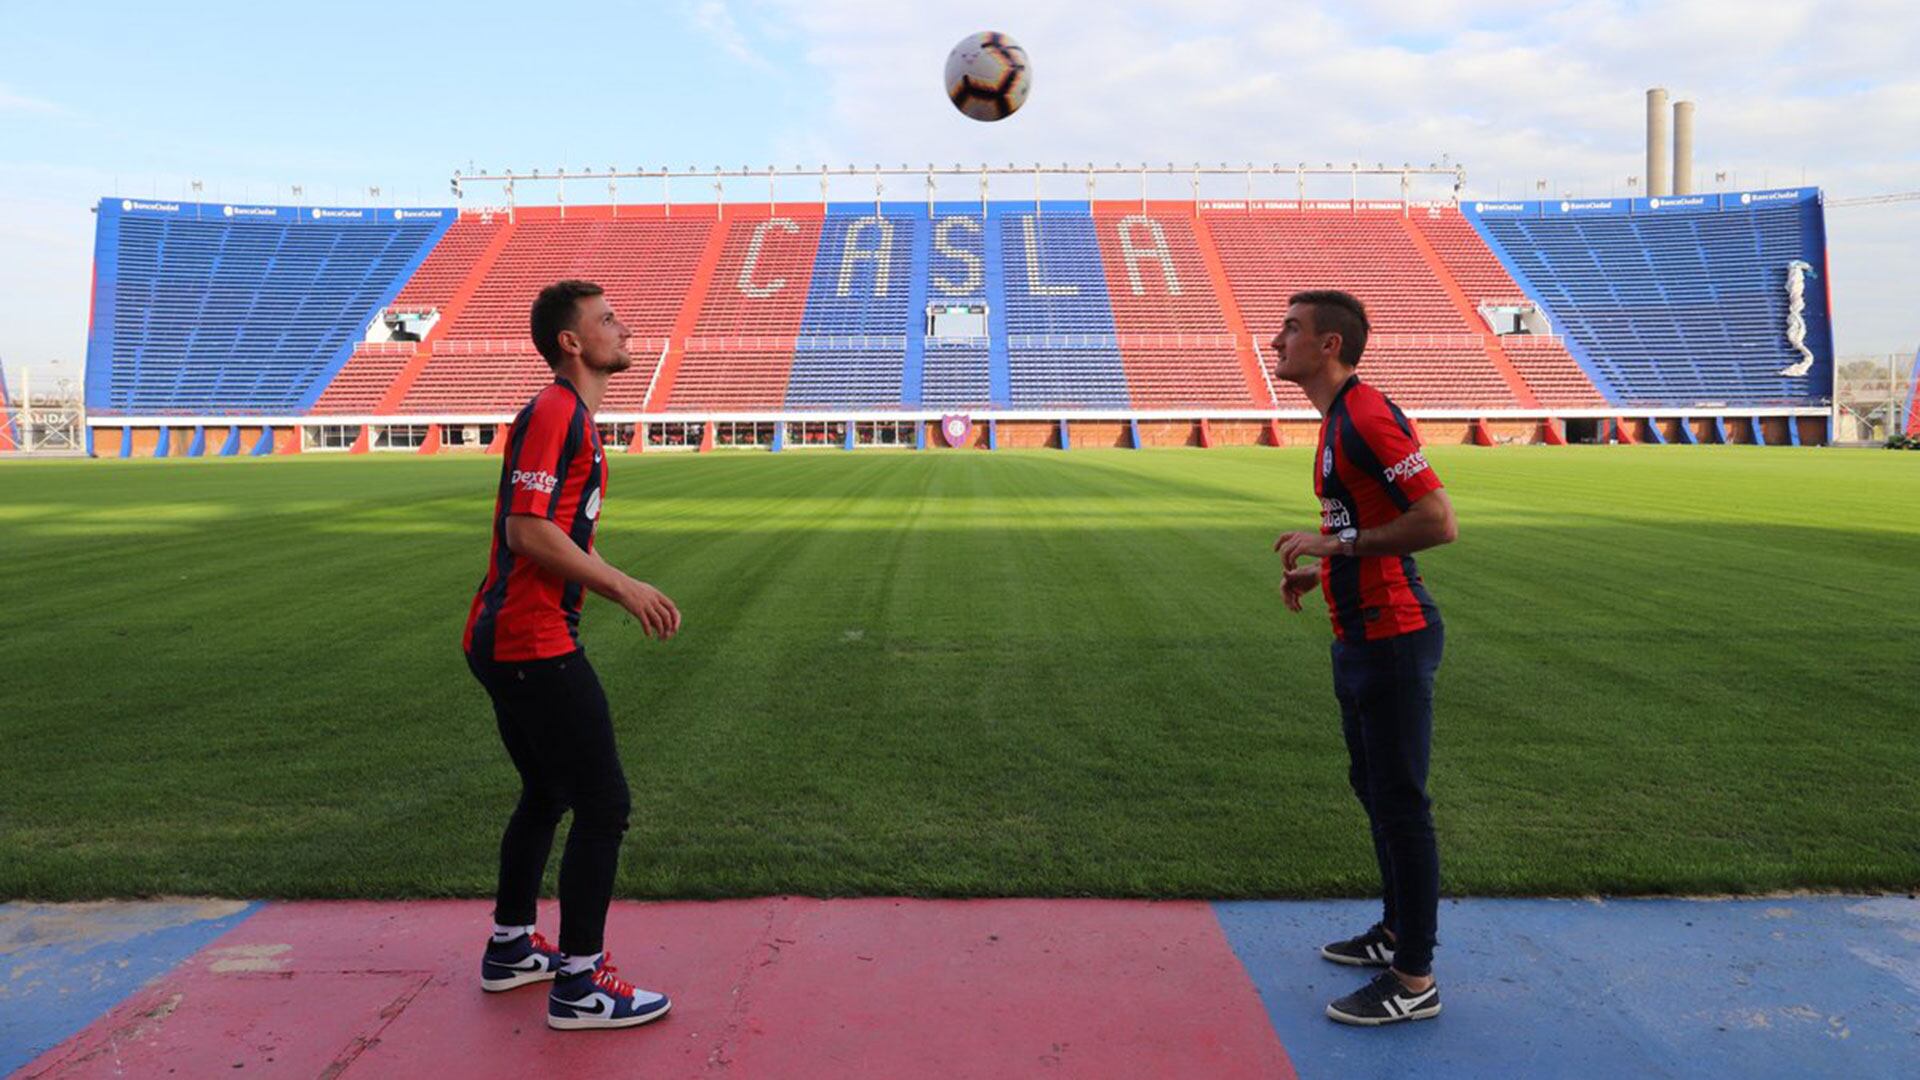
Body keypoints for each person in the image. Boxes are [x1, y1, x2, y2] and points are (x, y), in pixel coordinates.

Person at [463, 279, 683, 1031]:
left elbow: (553, 532)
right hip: (532, 642)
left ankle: (512, 947)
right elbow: (528, 530)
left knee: (548, 793)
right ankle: (582, 984)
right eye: (609, 320)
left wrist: (609, 577)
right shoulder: (558, 410)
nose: (624, 329)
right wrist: (623, 586)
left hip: (506, 638)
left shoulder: (572, 417)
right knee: (604, 804)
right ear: (571, 341)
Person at [1270, 290, 1458, 1026]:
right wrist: (1326, 570)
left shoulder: (1368, 415)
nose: (1276, 336)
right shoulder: (1334, 422)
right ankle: (1392, 934)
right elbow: (1366, 523)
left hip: (1394, 637)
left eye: (1291, 327)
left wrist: (1336, 547)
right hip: (1358, 634)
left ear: (1329, 347)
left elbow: (1437, 522)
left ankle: (1414, 981)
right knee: (1376, 793)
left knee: (1402, 808)